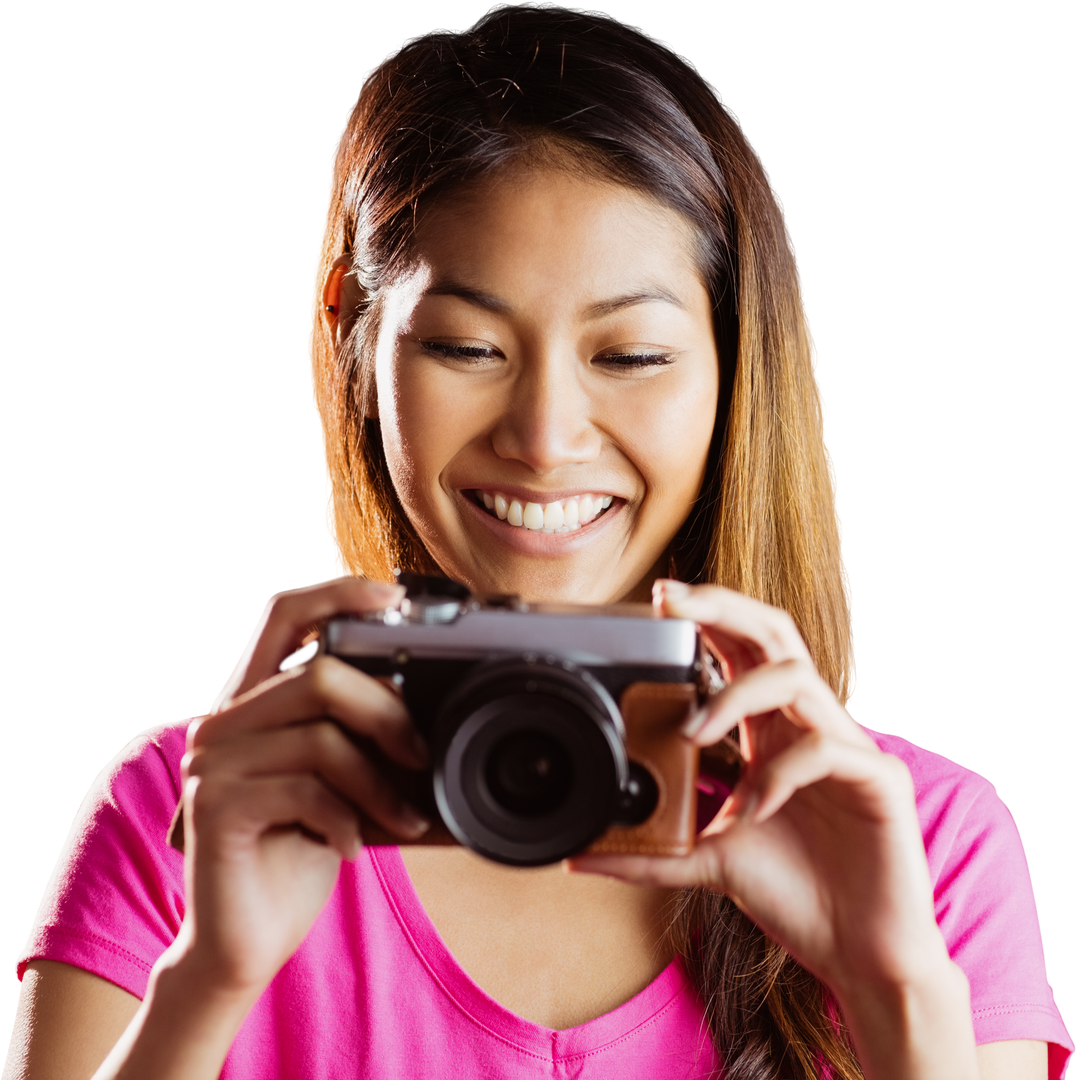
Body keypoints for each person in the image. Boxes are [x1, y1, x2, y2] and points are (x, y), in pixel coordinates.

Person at [4, 5, 1071, 1079]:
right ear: (354, 337)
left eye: (631, 356)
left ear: (729, 370)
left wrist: (890, 993)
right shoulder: (186, 811)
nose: (544, 440)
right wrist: (211, 977)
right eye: (467, 345)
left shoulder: (921, 844)